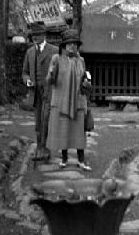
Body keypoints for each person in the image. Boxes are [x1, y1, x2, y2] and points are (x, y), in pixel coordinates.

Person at [45, 29, 92, 171]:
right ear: (63, 46)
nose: (72, 46)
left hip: (78, 101)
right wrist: (52, 73)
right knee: (63, 130)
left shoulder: (81, 61)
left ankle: (81, 160)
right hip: (61, 101)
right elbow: (49, 81)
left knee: (79, 132)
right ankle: (64, 159)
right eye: (69, 44)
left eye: (74, 44)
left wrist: (86, 84)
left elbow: (85, 80)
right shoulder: (56, 59)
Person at [22, 21, 58, 161]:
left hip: (49, 91)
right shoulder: (30, 52)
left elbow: (60, 71)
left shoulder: (54, 50)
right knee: (38, 121)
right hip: (35, 92)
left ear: (44, 35)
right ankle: (39, 147)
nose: (35, 38)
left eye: (38, 34)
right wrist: (27, 80)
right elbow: (24, 72)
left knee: (46, 119)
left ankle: (44, 148)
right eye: (33, 35)